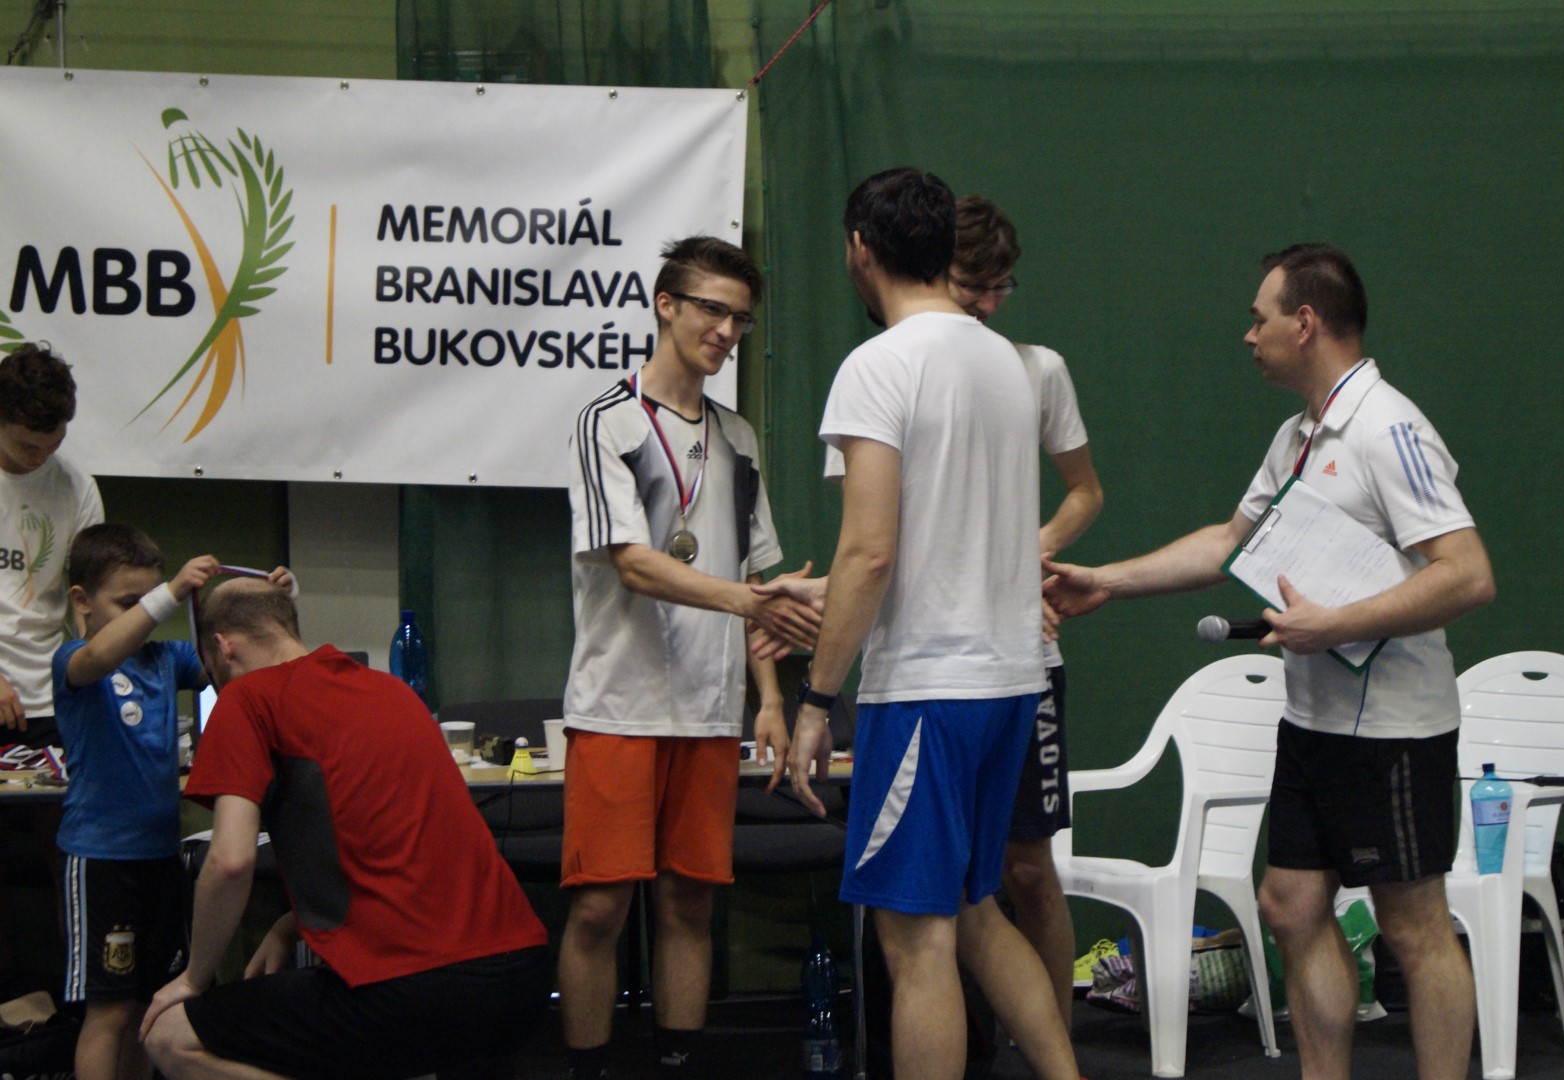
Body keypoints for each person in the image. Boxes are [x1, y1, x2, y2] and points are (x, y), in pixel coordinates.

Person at [1044, 244, 1494, 1080]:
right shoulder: (1297, 437)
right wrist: (1106, 580)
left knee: (1413, 926)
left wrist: (1335, 624)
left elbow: (1468, 575)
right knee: (1289, 906)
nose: (1249, 335)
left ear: (1306, 322)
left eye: (1260, 319)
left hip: (1396, 732)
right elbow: (1230, 542)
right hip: (1313, 724)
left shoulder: (1390, 429)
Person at [785, 168, 1081, 1080]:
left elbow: (869, 553)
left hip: (927, 692)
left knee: (916, 943)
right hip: (1010, 683)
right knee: (975, 913)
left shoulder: (878, 365)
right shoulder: (1007, 364)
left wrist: (815, 700)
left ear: (860, 250)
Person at [558, 236, 817, 1079]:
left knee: (689, 904)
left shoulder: (737, 437)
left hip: (709, 711)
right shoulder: (609, 421)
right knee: (599, 909)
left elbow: (753, 575)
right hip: (619, 705)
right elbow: (633, 564)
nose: (727, 331)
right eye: (712, 309)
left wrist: (767, 699)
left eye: (741, 319)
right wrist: (747, 601)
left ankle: (678, 1060)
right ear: (665, 305)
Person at [140, 578, 549, 1080]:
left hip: (416, 990)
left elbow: (230, 860)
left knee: (171, 1036)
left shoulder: (247, 697)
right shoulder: (391, 691)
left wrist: (193, 978)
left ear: (222, 647)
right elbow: (392, 846)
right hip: (519, 979)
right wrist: (291, 924)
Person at [53, 525, 218, 1080]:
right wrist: (168, 593)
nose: (147, 613)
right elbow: (100, 656)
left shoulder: (167, 658)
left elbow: (229, 662)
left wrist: (275, 601)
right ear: (82, 600)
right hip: (101, 863)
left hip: (160, 859)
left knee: (151, 1008)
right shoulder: (74, 659)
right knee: (110, 1011)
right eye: (130, 603)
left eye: (150, 599)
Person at [0, 342, 104, 990]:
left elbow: (91, 601)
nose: (39, 457)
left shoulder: (75, 486)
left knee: (70, 855)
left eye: (51, 443)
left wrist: (91, 666)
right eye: (24, 446)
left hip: (48, 694)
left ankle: (77, 1003)